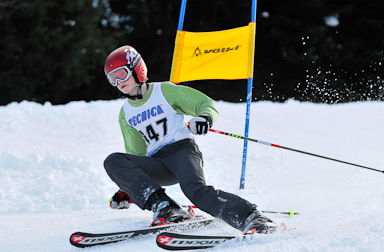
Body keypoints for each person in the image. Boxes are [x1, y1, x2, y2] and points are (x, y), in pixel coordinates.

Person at [102, 45, 278, 234]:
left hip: (181, 152)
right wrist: (131, 187)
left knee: (196, 192)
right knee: (113, 160)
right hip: (157, 162)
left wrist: (204, 118)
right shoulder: (126, 113)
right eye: (112, 78)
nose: (118, 81)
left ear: (138, 69)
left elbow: (205, 104)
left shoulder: (164, 91)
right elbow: (135, 154)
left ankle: (252, 217)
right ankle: (166, 207)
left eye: (121, 74)